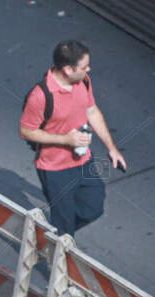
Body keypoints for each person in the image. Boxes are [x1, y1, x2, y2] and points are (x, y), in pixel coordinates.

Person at [19, 40, 127, 236]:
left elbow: (92, 111)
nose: (88, 69)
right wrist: (66, 140)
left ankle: (49, 237)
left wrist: (112, 148)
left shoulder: (83, 81)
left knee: (94, 208)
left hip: (83, 160)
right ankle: (57, 244)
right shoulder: (41, 95)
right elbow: (26, 131)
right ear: (68, 70)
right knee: (65, 228)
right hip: (54, 169)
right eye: (84, 67)